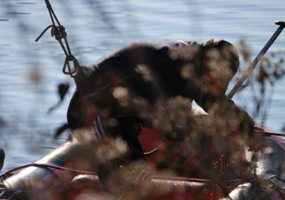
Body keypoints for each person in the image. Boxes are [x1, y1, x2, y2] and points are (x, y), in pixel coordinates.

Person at [54, 39, 259, 180]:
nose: (218, 85)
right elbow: (173, 123)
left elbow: (209, 100)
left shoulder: (187, 57)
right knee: (125, 180)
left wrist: (246, 127)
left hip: (121, 117)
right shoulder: (176, 66)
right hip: (92, 114)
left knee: (141, 173)